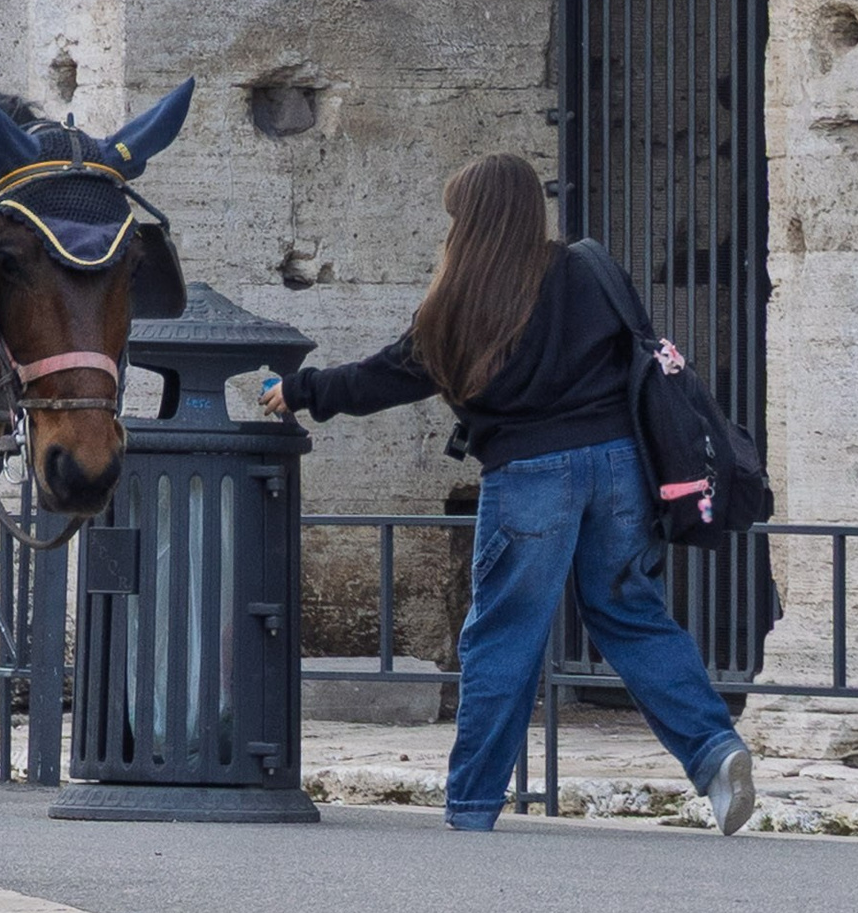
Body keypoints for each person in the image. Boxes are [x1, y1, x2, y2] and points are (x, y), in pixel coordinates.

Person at [267, 153, 756, 836]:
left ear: (468, 221)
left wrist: (302, 389)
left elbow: (389, 375)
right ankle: (714, 752)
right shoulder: (590, 267)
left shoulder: (461, 300)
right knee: (632, 615)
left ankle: (472, 804)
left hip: (530, 476)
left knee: (503, 635)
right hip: (621, 467)